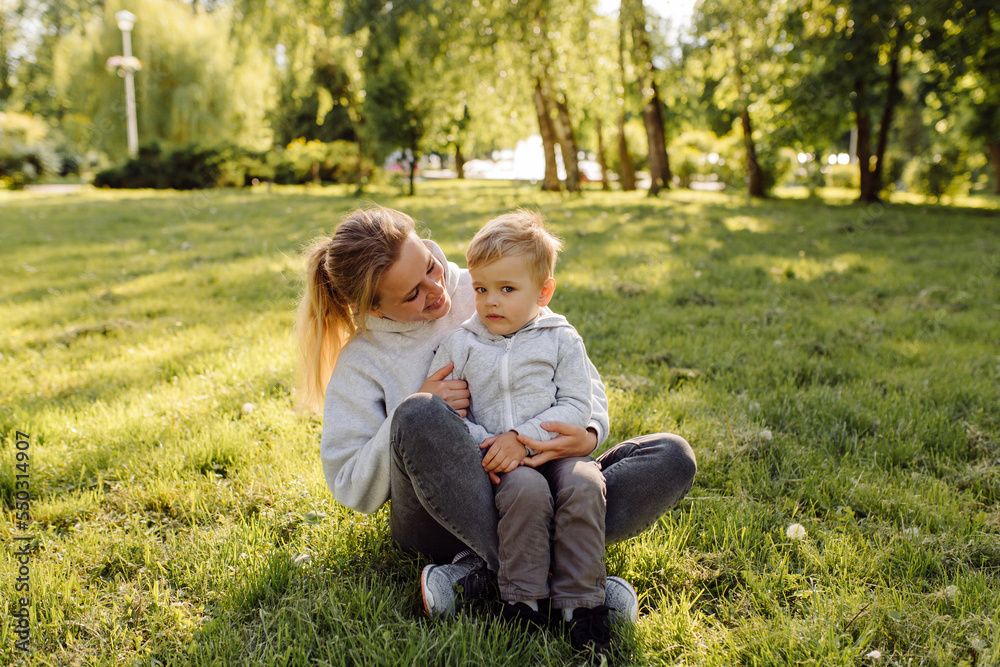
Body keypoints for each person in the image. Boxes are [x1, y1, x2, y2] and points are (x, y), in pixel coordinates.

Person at [295, 206, 696, 644]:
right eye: (411, 295)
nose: (437, 290)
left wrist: (589, 433)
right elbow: (350, 485)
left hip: (539, 476)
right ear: (374, 307)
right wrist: (412, 407)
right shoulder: (364, 360)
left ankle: (491, 576)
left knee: (671, 456)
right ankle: (569, 580)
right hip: (446, 514)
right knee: (420, 413)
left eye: (430, 267)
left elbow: (573, 373)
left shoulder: (484, 283)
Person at [429, 211, 612, 650]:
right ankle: (523, 602)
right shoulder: (462, 343)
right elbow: (445, 412)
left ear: (543, 291)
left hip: (557, 451)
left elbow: (575, 403)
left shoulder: (561, 339)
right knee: (526, 493)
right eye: (481, 289)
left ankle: (581, 605)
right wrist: (491, 446)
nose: (491, 301)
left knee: (586, 484)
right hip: (500, 464)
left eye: (507, 289)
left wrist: (522, 438)